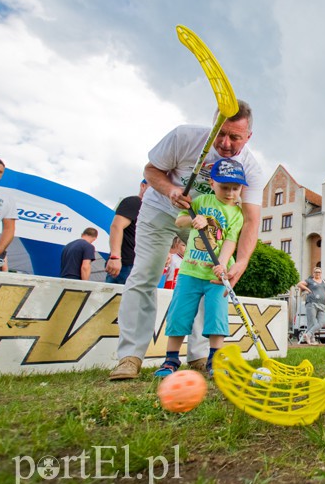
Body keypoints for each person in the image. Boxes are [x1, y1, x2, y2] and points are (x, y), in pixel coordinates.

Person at [110, 100, 265, 381]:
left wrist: (241, 261)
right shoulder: (184, 137)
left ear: (248, 137)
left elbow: (251, 219)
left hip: (206, 223)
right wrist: (170, 190)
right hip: (161, 210)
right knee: (145, 273)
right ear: (213, 126)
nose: (226, 143)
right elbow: (151, 170)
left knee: (209, 278)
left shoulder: (251, 170)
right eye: (220, 133)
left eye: (235, 137)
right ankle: (130, 356)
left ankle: (198, 355)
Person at [153, 158, 246, 378]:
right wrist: (197, 219)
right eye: (225, 187)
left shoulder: (238, 214)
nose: (230, 193)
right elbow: (180, 221)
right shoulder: (201, 200)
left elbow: (231, 242)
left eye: (236, 188)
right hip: (190, 271)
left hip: (217, 274)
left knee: (217, 314)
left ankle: (215, 359)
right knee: (179, 314)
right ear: (213, 183)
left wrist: (222, 263)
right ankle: (171, 359)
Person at [106, 180, 149, 285]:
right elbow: (116, 226)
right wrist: (115, 256)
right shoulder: (134, 202)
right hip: (125, 265)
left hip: (137, 266)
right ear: (143, 186)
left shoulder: (147, 209)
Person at [297, 267, 325, 345]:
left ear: (321, 273)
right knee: (311, 322)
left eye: (319, 272)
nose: (318, 273)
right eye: (316, 272)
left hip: (322, 304)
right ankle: (311, 340)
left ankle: (308, 335)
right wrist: (308, 289)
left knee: (322, 321)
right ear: (313, 273)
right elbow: (299, 284)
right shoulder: (309, 280)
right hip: (311, 303)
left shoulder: (323, 281)